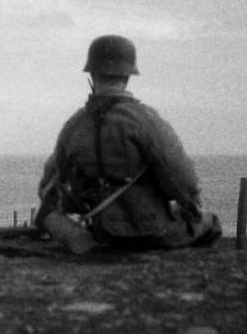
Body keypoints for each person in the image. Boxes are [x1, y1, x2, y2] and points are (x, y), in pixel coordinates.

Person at [37, 35, 221, 250]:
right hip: (150, 232)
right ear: (128, 76)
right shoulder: (144, 119)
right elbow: (182, 179)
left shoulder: (73, 125)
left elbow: (50, 184)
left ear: (92, 75)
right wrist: (191, 208)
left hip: (102, 233)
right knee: (212, 223)